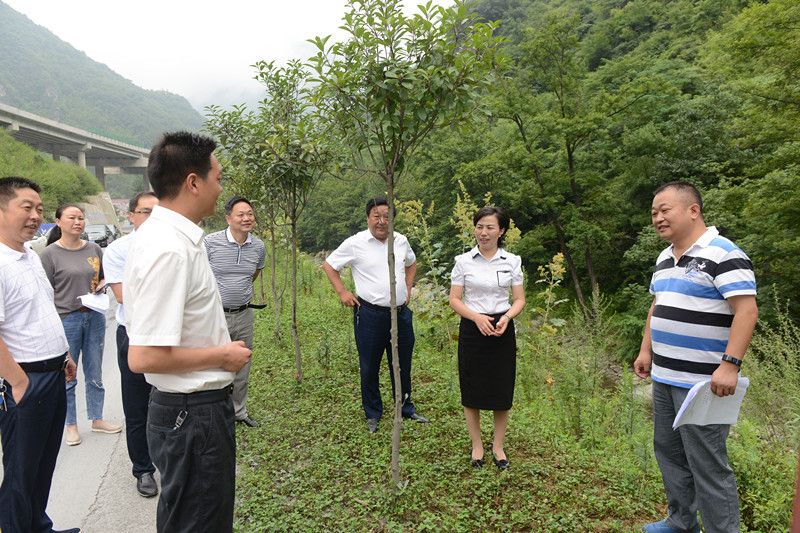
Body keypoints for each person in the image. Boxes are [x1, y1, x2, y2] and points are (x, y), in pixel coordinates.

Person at [124, 131, 251, 533]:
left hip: (194, 412)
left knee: (197, 518)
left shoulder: (177, 240)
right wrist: (221, 355)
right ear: (193, 182)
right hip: (191, 414)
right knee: (198, 523)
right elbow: (142, 356)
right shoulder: (169, 248)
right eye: (217, 177)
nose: (221, 187)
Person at [633, 181, 758, 533]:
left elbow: (746, 311)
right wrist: (646, 350)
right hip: (665, 375)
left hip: (704, 383)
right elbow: (657, 305)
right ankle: (680, 521)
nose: (657, 218)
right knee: (669, 453)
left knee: (707, 463)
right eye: (654, 213)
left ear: (693, 210)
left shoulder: (724, 254)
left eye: (664, 210)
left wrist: (730, 365)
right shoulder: (664, 257)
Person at [0, 176, 79, 533]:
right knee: (20, 472)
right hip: (25, 381)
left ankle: (39, 527)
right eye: (26, 207)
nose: (36, 216)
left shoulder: (30, 256)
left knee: (44, 464)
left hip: (52, 372)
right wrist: (18, 382)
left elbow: (42, 313)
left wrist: (65, 355)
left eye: (40, 209)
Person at [322, 197, 428, 433]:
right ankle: (373, 412)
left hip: (400, 314)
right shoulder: (356, 242)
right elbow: (330, 265)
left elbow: (411, 264)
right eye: (376, 216)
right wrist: (342, 292)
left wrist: (408, 289)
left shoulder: (400, 241)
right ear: (368, 218)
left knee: (401, 363)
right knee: (369, 365)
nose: (381, 221)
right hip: (369, 314)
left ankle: (405, 407)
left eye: (387, 216)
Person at [449, 206, 524, 470]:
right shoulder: (463, 261)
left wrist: (506, 318)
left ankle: (498, 446)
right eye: (479, 226)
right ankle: (477, 445)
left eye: (490, 227)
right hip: (472, 328)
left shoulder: (512, 261)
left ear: (501, 230)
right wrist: (477, 318)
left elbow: (519, 300)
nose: (483, 232)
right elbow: (454, 300)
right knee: (472, 387)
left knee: (501, 389)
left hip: (501, 328)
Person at [40, 204, 121, 446]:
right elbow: (45, 293)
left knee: (94, 370)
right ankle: (71, 425)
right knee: (68, 373)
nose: (78, 222)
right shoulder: (49, 254)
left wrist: (103, 285)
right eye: (72, 217)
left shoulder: (94, 248)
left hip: (94, 315)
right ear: (58, 222)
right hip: (67, 319)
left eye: (81, 218)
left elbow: (106, 275)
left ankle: (97, 419)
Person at [102, 191, 159, 498]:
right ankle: (143, 468)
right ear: (132, 216)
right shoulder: (118, 251)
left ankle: (166, 458)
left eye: (158, 212)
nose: (152, 218)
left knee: (169, 400)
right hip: (135, 335)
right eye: (146, 212)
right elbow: (124, 296)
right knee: (137, 406)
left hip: (170, 335)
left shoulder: (175, 246)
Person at [204, 196, 266, 428]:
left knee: (242, 363)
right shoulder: (210, 243)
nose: (246, 218)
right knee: (214, 363)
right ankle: (215, 413)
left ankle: (238, 411)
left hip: (243, 314)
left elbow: (253, 275)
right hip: (214, 315)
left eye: (250, 213)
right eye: (241, 214)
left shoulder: (258, 246)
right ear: (228, 218)